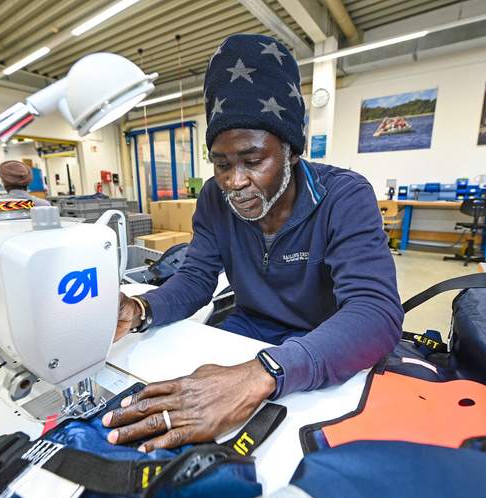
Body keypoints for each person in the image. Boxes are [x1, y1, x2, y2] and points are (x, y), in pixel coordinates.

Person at [102, 34, 403, 453]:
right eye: (222, 164)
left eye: (253, 160)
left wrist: (264, 372)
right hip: (247, 330)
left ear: (291, 151)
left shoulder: (344, 196)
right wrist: (141, 309)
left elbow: (376, 313)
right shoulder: (213, 197)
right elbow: (195, 280)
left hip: (325, 340)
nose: (234, 181)